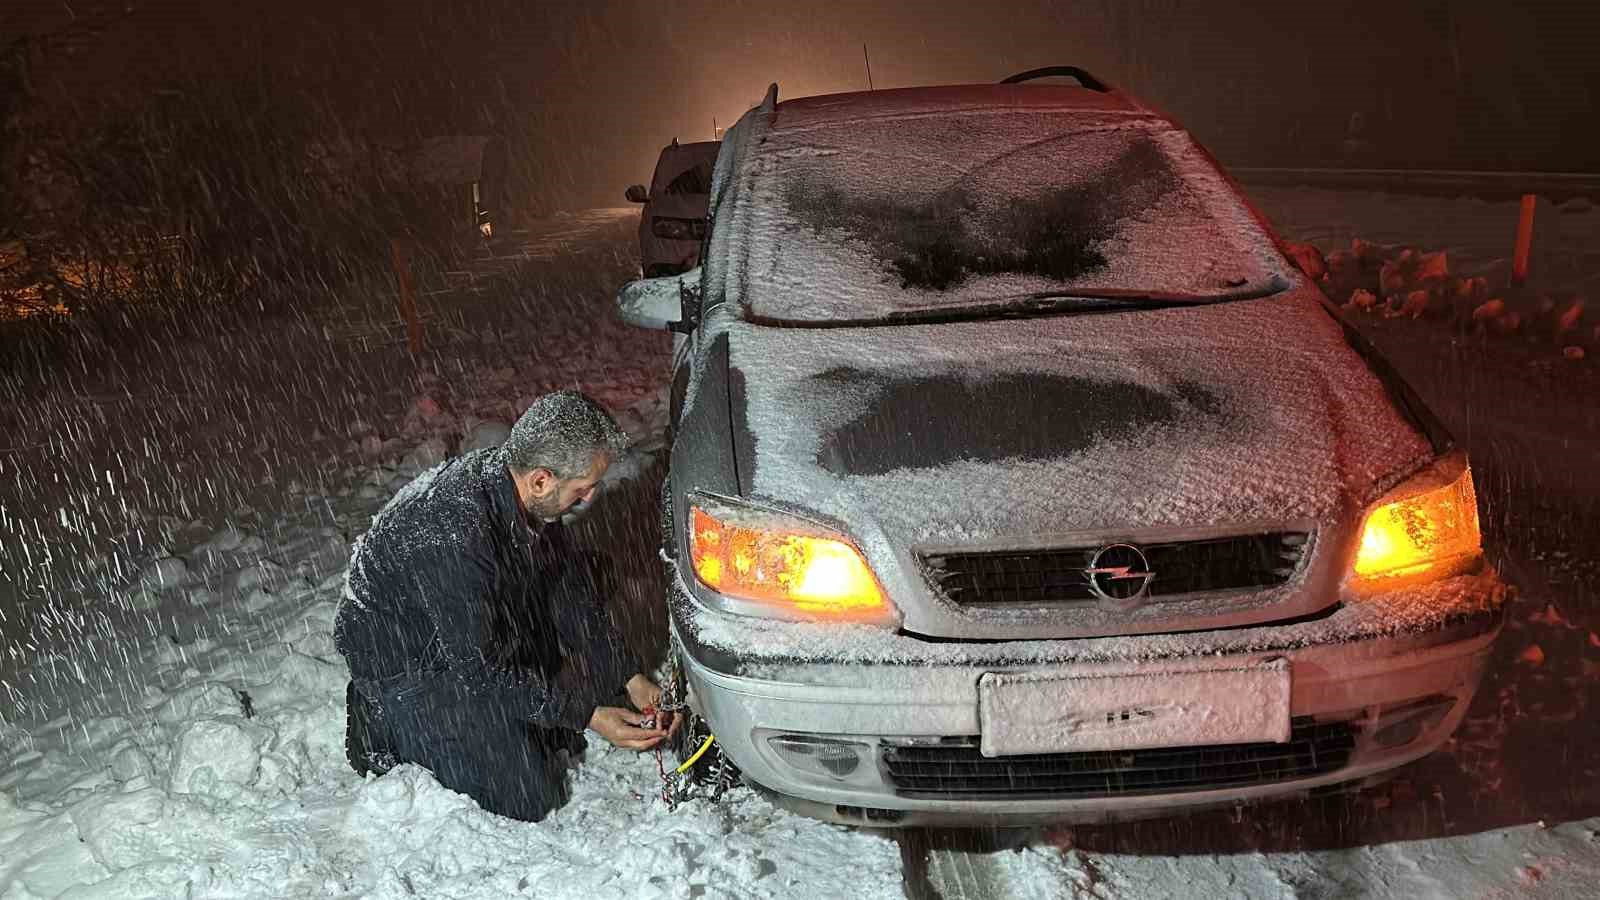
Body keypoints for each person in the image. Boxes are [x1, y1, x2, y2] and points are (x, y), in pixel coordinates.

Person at [334, 389, 677, 822]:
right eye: (583, 489)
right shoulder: (456, 533)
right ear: (541, 480)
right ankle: (383, 723)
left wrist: (630, 677)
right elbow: (480, 672)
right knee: (526, 796)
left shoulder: (519, 491)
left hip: (459, 618)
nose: (589, 500)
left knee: (581, 597)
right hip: (403, 656)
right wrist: (586, 714)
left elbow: (568, 593)